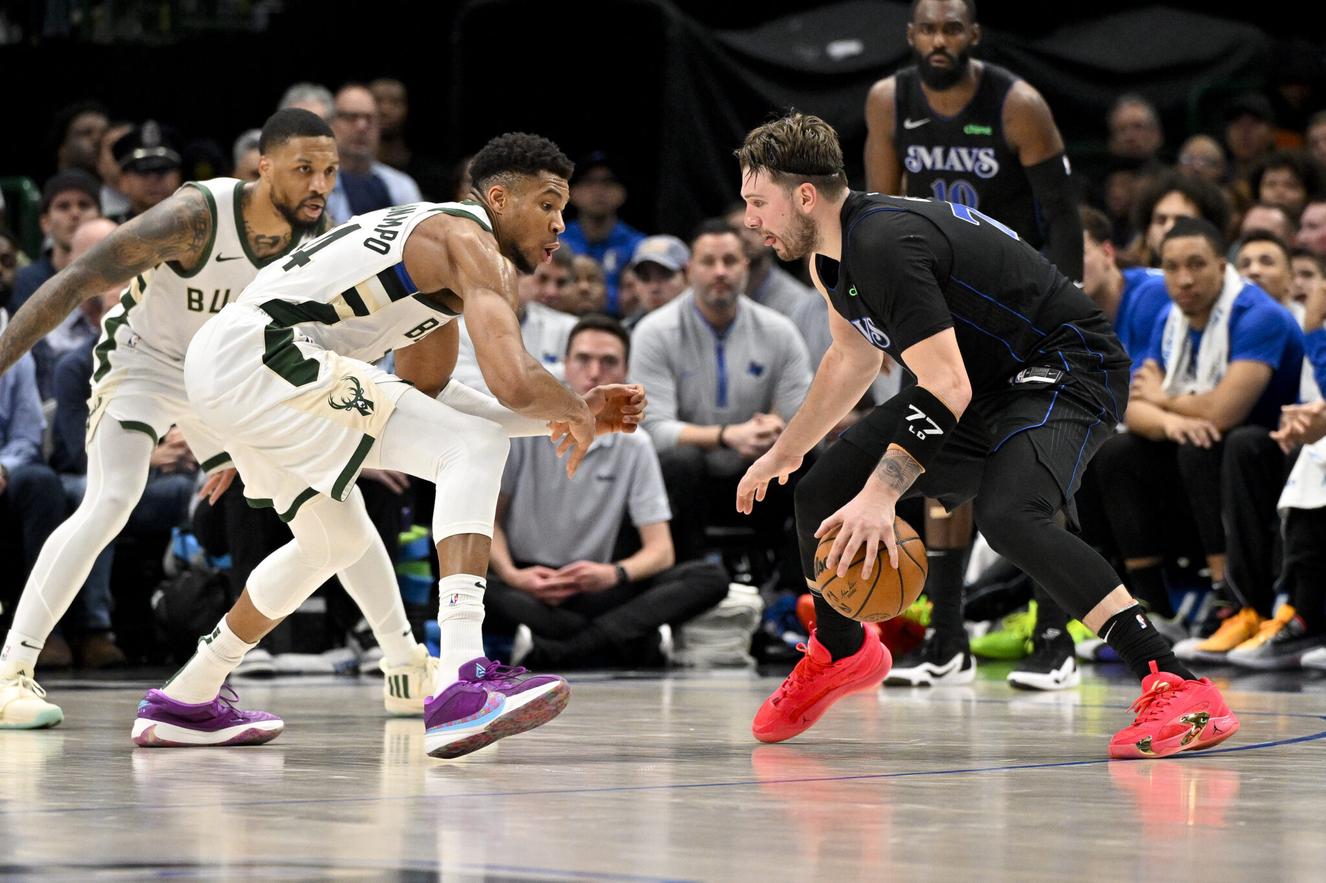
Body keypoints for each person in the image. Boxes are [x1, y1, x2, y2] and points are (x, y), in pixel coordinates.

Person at [733, 112, 1239, 759]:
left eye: (757, 201)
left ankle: (1179, 680)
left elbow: (944, 386)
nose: (750, 218)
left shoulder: (883, 243)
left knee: (1011, 514)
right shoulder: (827, 256)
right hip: (986, 379)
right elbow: (851, 359)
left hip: (1066, 363)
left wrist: (883, 493)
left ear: (804, 195)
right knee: (822, 489)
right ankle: (839, 649)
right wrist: (787, 449)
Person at [128, 132, 645, 759]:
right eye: (548, 204)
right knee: (474, 449)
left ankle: (188, 696)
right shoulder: (470, 240)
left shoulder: (431, 256)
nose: (560, 223)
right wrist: (570, 407)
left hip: (237, 364)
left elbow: (426, 394)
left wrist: (566, 414)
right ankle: (460, 675)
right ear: (500, 198)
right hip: (267, 353)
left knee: (333, 541)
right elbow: (510, 382)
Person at [0, 110, 427, 729]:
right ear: (263, 166)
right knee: (111, 500)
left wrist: (241, 443)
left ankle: (407, 666)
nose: (318, 185)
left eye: (329, 172)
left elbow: (334, 339)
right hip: (144, 364)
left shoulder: (320, 236)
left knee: (334, 503)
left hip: (229, 381)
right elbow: (75, 281)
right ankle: (12, 670)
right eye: (303, 169)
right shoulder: (196, 216)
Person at [863, 0, 1085, 691]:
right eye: (927, 28)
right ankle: (946, 638)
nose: (938, 40)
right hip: (937, 307)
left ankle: (1057, 636)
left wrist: (1063, 311)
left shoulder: (1018, 104)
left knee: (1035, 467)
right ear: (910, 36)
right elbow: (878, 206)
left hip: (1018, 306)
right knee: (935, 468)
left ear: (974, 36)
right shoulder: (886, 101)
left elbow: (1065, 217)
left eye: (951, 28)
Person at [485, 315, 728, 667]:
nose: (595, 372)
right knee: (474, 584)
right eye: (583, 359)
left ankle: (562, 650)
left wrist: (613, 574)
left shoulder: (635, 444)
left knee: (709, 578)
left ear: (626, 371)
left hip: (595, 583)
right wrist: (513, 575)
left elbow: (660, 551)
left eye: (609, 362)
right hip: (527, 581)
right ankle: (624, 642)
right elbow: (489, 520)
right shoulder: (525, 429)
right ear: (564, 364)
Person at [325, 84, 422, 223]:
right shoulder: (314, 184)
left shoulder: (401, 186)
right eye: (351, 117)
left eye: (370, 118)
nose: (362, 126)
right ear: (331, 123)